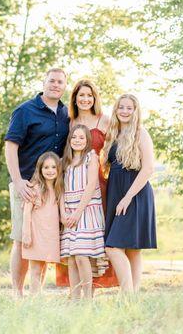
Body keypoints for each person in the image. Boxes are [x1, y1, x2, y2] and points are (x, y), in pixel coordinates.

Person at [4, 68, 69, 298]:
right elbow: (11, 146)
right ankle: (17, 293)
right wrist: (18, 181)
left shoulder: (65, 113)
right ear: (44, 82)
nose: (55, 85)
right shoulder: (25, 111)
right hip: (27, 184)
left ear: (64, 86)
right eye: (51, 81)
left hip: (52, 188)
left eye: (60, 82)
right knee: (22, 239)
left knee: (42, 240)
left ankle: (36, 293)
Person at [56, 79, 118, 287]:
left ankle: (94, 290)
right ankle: (75, 292)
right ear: (74, 98)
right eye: (81, 95)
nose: (85, 99)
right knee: (74, 247)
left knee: (93, 244)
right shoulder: (69, 123)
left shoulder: (104, 120)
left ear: (94, 98)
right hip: (72, 186)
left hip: (97, 186)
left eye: (89, 95)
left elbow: (116, 150)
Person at [102, 94, 157, 293]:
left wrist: (127, 197)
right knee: (131, 249)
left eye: (129, 108)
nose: (124, 111)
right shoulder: (113, 133)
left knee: (113, 247)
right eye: (121, 107)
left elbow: (148, 168)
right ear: (115, 110)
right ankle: (132, 299)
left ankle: (126, 294)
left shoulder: (141, 133)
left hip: (135, 194)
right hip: (116, 193)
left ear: (135, 111)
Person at [60, 124, 107, 299]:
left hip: (86, 210)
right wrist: (63, 213)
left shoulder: (91, 157)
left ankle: (87, 297)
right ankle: (74, 297)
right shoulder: (64, 161)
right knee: (72, 258)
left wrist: (78, 212)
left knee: (81, 255)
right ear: (69, 140)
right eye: (74, 137)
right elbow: (61, 189)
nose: (77, 140)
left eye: (81, 137)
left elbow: (91, 186)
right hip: (69, 211)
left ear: (87, 140)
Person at [22, 152, 63, 294]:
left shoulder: (59, 189)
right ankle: (34, 297)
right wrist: (26, 234)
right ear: (40, 169)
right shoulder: (35, 188)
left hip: (50, 235)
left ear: (58, 169)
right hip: (35, 234)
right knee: (35, 268)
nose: (50, 170)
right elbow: (26, 213)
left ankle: (38, 295)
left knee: (45, 265)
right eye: (46, 167)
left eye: (53, 167)